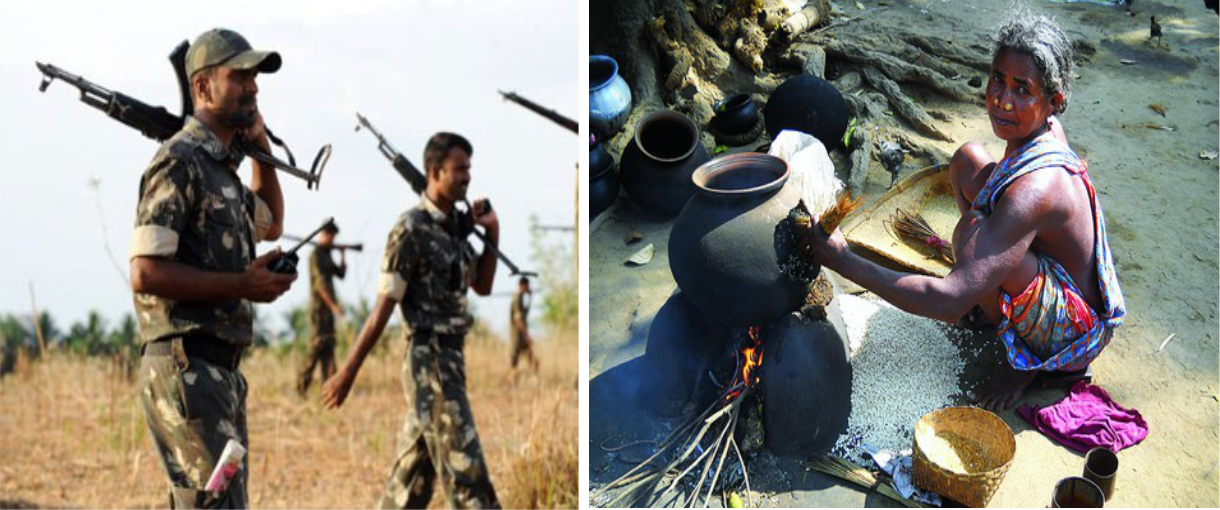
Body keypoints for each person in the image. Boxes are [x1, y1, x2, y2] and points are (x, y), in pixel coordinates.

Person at [807, 8, 1124, 412]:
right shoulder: (1041, 130)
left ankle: (1025, 362)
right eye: (998, 80)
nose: (1001, 101)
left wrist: (845, 262)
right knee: (966, 160)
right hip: (1050, 279)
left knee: (972, 230)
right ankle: (993, 308)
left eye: (1022, 90)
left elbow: (948, 300)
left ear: (1053, 102)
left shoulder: (1038, 189)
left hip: (1072, 331)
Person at [129, 28, 294, 508]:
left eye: (255, 78)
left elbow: (272, 220)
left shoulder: (222, 174)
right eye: (239, 76)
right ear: (202, 88)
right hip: (185, 366)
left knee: (220, 503)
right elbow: (146, 272)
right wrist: (242, 284)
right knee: (213, 505)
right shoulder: (179, 162)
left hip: (217, 372)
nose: (254, 87)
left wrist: (260, 146)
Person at [321, 132, 501, 508]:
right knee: (469, 481)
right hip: (429, 362)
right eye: (459, 169)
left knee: (411, 483)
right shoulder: (411, 230)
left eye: (470, 168)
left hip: (451, 360)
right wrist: (347, 372)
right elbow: (382, 311)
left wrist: (492, 231)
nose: (467, 177)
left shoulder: (455, 229)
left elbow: (482, 286)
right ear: (434, 172)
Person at [297, 222, 346, 396]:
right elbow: (320, 285)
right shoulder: (316, 255)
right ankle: (302, 388)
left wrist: (342, 255)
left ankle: (328, 389)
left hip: (329, 312)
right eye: (331, 236)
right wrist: (333, 306)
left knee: (329, 348)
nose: (333, 240)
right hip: (319, 311)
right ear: (324, 234)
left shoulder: (327, 254)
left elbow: (340, 274)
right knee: (316, 348)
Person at [509, 276, 539, 379]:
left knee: (531, 356)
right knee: (515, 362)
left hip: (521, 334)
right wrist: (527, 336)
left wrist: (530, 298)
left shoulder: (521, 297)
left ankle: (534, 378)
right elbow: (518, 320)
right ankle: (513, 381)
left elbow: (524, 314)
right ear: (523, 285)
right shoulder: (517, 298)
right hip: (517, 335)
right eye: (527, 286)